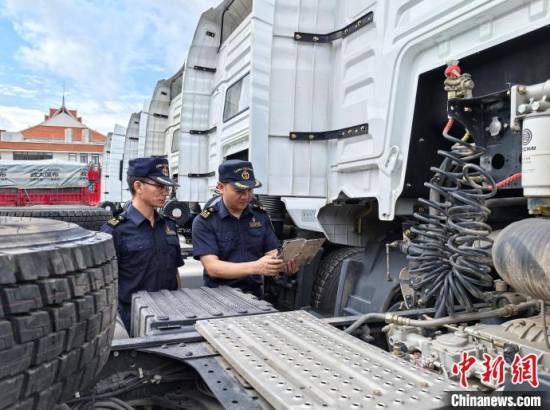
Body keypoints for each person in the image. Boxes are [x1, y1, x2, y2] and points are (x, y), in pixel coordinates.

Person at [192, 159, 299, 298]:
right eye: (239, 191)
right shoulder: (205, 221)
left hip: (254, 296)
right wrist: (255, 267)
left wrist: (284, 265)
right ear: (221, 187)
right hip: (219, 298)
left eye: (250, 190)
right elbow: (212, 267)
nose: (246, 196)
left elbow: (272, 251)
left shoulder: (260, 216)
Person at [101, 158, 184, 332]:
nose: (166, 193)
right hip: (134, 317)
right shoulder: (115, 230)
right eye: (160, 186)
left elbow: (174, 271)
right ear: (138, 186)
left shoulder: (168, 225)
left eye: (167, 187)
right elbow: (104, 282)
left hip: (171, 312)